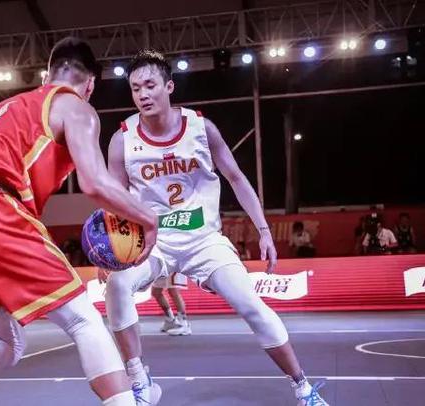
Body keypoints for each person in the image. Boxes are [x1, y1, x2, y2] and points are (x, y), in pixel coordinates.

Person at [0, 37, 159, 406]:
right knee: (83, 321)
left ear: (47, 75)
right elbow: (95, 183)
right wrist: (148, 218)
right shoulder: (74, 105)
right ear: (90, 84)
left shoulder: (8, 106)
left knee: (8, 340)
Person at [101, 49, 328, 406]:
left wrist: (264, 231)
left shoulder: (201, 128)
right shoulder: (122, 140)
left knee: (252, 305)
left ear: (169, 87)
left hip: (203, 239)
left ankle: (303, 387)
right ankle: (140, 381)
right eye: (135, 88)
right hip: (153, 242)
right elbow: (113, 200)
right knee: (116, 286)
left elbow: (236, 178)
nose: (143, 94)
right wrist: (110, 253)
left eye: (150, 85)